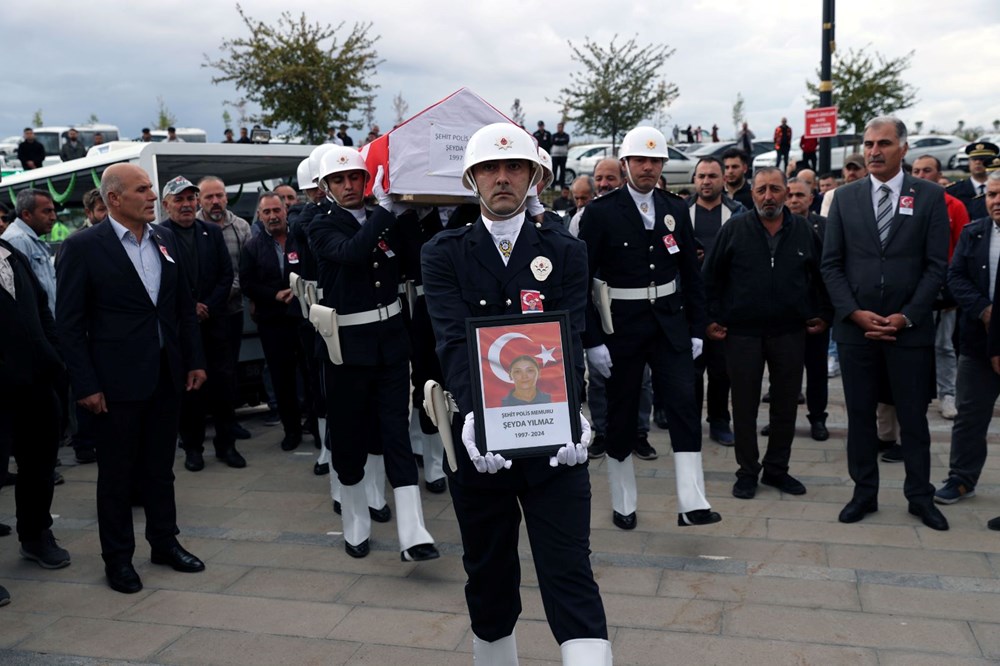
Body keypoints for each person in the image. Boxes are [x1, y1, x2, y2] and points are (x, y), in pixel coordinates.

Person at [421, 121, 611, 664]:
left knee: (570, 570)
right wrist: (475, 417)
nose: (502, 178)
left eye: (514, 168)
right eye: (490, 169)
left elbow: (569, 336)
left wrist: (577, 412)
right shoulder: (444, 252)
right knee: (488, 572)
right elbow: (453, 340)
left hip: (552, 436)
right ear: (472, 178)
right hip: (480, 441)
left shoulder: (566, 251)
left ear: (533, 177)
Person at [57, 163, 208, 594]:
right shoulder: (83, 247)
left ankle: (164, 542)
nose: (152, 196)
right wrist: (85, 384)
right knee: (118, 476)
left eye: (151, 189)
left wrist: (193, 360)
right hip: (115, 384)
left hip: (166, 375)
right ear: (114, 199)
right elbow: (69, 324)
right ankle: (118, 559)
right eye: (142, 189)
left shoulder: (163, 239)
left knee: (161, 469)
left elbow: (181, 308)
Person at [579, 126, 720, 531]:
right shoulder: (601, 212)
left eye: (655, 161)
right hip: (621, 329)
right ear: (625, 164)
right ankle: (624, 501)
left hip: (670, 325)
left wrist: (696, 328)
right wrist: (592, 341)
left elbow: (691, 273)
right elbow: (582, 282)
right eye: (640, 160)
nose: (648, 167)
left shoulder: (674, 208)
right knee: (621, 414)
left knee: (683, 404)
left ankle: (692, 501)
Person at [309, 146, 439, 563]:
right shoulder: (320, 224)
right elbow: (352, 252)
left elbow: (419, 261)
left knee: (396, 433)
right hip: (347, 348)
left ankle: (413, 530)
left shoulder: (384, 220)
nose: (349, 186)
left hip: (391, 342)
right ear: (326, 187)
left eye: (356, 178)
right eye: (339, 180)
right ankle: (355, 521)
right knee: (348, 437)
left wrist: (410, 212)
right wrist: (385, 212)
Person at [821, 116, 950, 531]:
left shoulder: (929, 197)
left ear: (903, 148)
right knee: (859, 416)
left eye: (883, 143)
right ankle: (864, 493)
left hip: (908, 331)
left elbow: (936, 266)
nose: (873, 151)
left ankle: (920, 496)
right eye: (868, 143)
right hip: (857, 331)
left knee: (913, 417)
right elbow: (831, 266)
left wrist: (907, 315)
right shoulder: (844, 198)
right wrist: (855, 314)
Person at [704, 167, 830, 499]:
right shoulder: (735, 229)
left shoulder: (803, 230)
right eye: (761, 190)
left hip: (790, 332)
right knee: (743, 405)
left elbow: (822, 277)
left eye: (775, 189)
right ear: (753, 193)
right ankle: (747, 471)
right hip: (742, 334)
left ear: (787, 194)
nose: (768, 196)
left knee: (786, 404)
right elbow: (710, 278)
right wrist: (710, 318)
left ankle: (777, 469)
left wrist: (821, 314)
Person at [158, 176, 243, 470]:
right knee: (189, 389)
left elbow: (225, 274)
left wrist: (208, 304)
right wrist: (188, 307)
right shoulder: (158, 235)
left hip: (216, 324)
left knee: (224, 385)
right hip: (181, 329)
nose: (186, 205)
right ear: (166, 204)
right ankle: (192, 448)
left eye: (190, 199)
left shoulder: (210, 232)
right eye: (179, 199)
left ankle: (226, 445)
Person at [0, 234, 72, 576]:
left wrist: (53, 356)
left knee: (40, 465)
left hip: (36, 383)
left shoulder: (12, 255)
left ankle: (36, 536)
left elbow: (42, 308)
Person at [580, 158, 656, 461]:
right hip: (600, 314)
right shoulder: (587, 216)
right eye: (599, 178)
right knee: (599, 379)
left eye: (609, 177)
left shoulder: (635, 213)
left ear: (622, 177)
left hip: (631, 315)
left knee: (643, 380)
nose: (603, 183)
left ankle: (639, 433)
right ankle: (603, 431)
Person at [935, 170, 999, 508]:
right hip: (978, 342)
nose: (996, 201)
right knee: (971, 415)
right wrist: (985, 311)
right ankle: (961, 478)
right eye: (991, 195)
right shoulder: (974, 233)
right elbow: (955, 277)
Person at [240, 192, 307, 451]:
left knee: (310, 373)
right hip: (272, 322)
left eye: (276, 211)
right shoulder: (253, 246)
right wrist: (273, 294)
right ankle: (291, 430)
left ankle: (315, 423)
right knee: (282, 378)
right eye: (266, 212)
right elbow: (247, 283)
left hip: (303, 318)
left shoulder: (300, 239)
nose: (272, 216)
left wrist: (298, 291)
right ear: (259, 216)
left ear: (285, 211)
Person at [688, 156, 744, 446]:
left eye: (712, 175)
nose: (706, 181)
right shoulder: (680, 213)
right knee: (692, 369)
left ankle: (720, 421)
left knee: (723, 369)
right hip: (690, 304)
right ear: (694, 180)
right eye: (701, 176)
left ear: (724, 179)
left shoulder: (738, 213)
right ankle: (691, 423)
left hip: (726, 304)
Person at [912, 155, 970, 421]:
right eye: (916, 170)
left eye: (927, 170)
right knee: (914, 345)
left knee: (944, 345)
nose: (921, 175)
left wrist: (954, 289)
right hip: (911, 289)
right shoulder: (904, 202)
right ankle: (918, 393)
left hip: (943, 289)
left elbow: (962, 251)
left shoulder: (954, 206)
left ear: (938, 173)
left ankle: (948, 393)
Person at [196, 177, 252, 440]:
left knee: (228, 371)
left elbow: (247, 269)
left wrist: (218, 297)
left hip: (230, 311)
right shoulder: (189, 227)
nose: (215, 201)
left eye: (219, 195)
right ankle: (197, 429)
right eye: (209, 197)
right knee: (198, 370)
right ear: (200, 200)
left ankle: (229, 424)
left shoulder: (240, 227)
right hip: (198, 317)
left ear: (227, 197)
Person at [785, 177, 832, 441]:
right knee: (784, 373)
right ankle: (783, 419)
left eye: (799, 195)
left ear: (811, 198)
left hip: (815, 313)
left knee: (816, 371)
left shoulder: (824, 227)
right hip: (784, 315)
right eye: (789, 195)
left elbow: (830, 271)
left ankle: (817, 418)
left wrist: (827, 313)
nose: (793, 200)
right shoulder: (774, 225)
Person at [2, 189, 57, 315]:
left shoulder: (31, 240)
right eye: (47, 211)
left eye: (53, 211)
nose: (53, 217)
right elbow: (21, 294)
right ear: (26, 214)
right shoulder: (17, 240)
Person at [949, 142, 998, 220]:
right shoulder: (954, 191)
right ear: (969, 162)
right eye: (974, 159)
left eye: (982, 159)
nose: (977, 162)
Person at [551, 122, 570, 189]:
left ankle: (562, 186)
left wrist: (558, 141)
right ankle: (552, 186)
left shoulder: (566, 135)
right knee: (554, 171)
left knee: (562, 171)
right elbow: (553, 141)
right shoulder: (554, 135)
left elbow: (566, 141)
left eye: (560, 127)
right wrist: (560, 141)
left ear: (563, 128)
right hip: (555, 156)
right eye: (558, 127)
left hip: (563, 156)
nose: (559, 128)